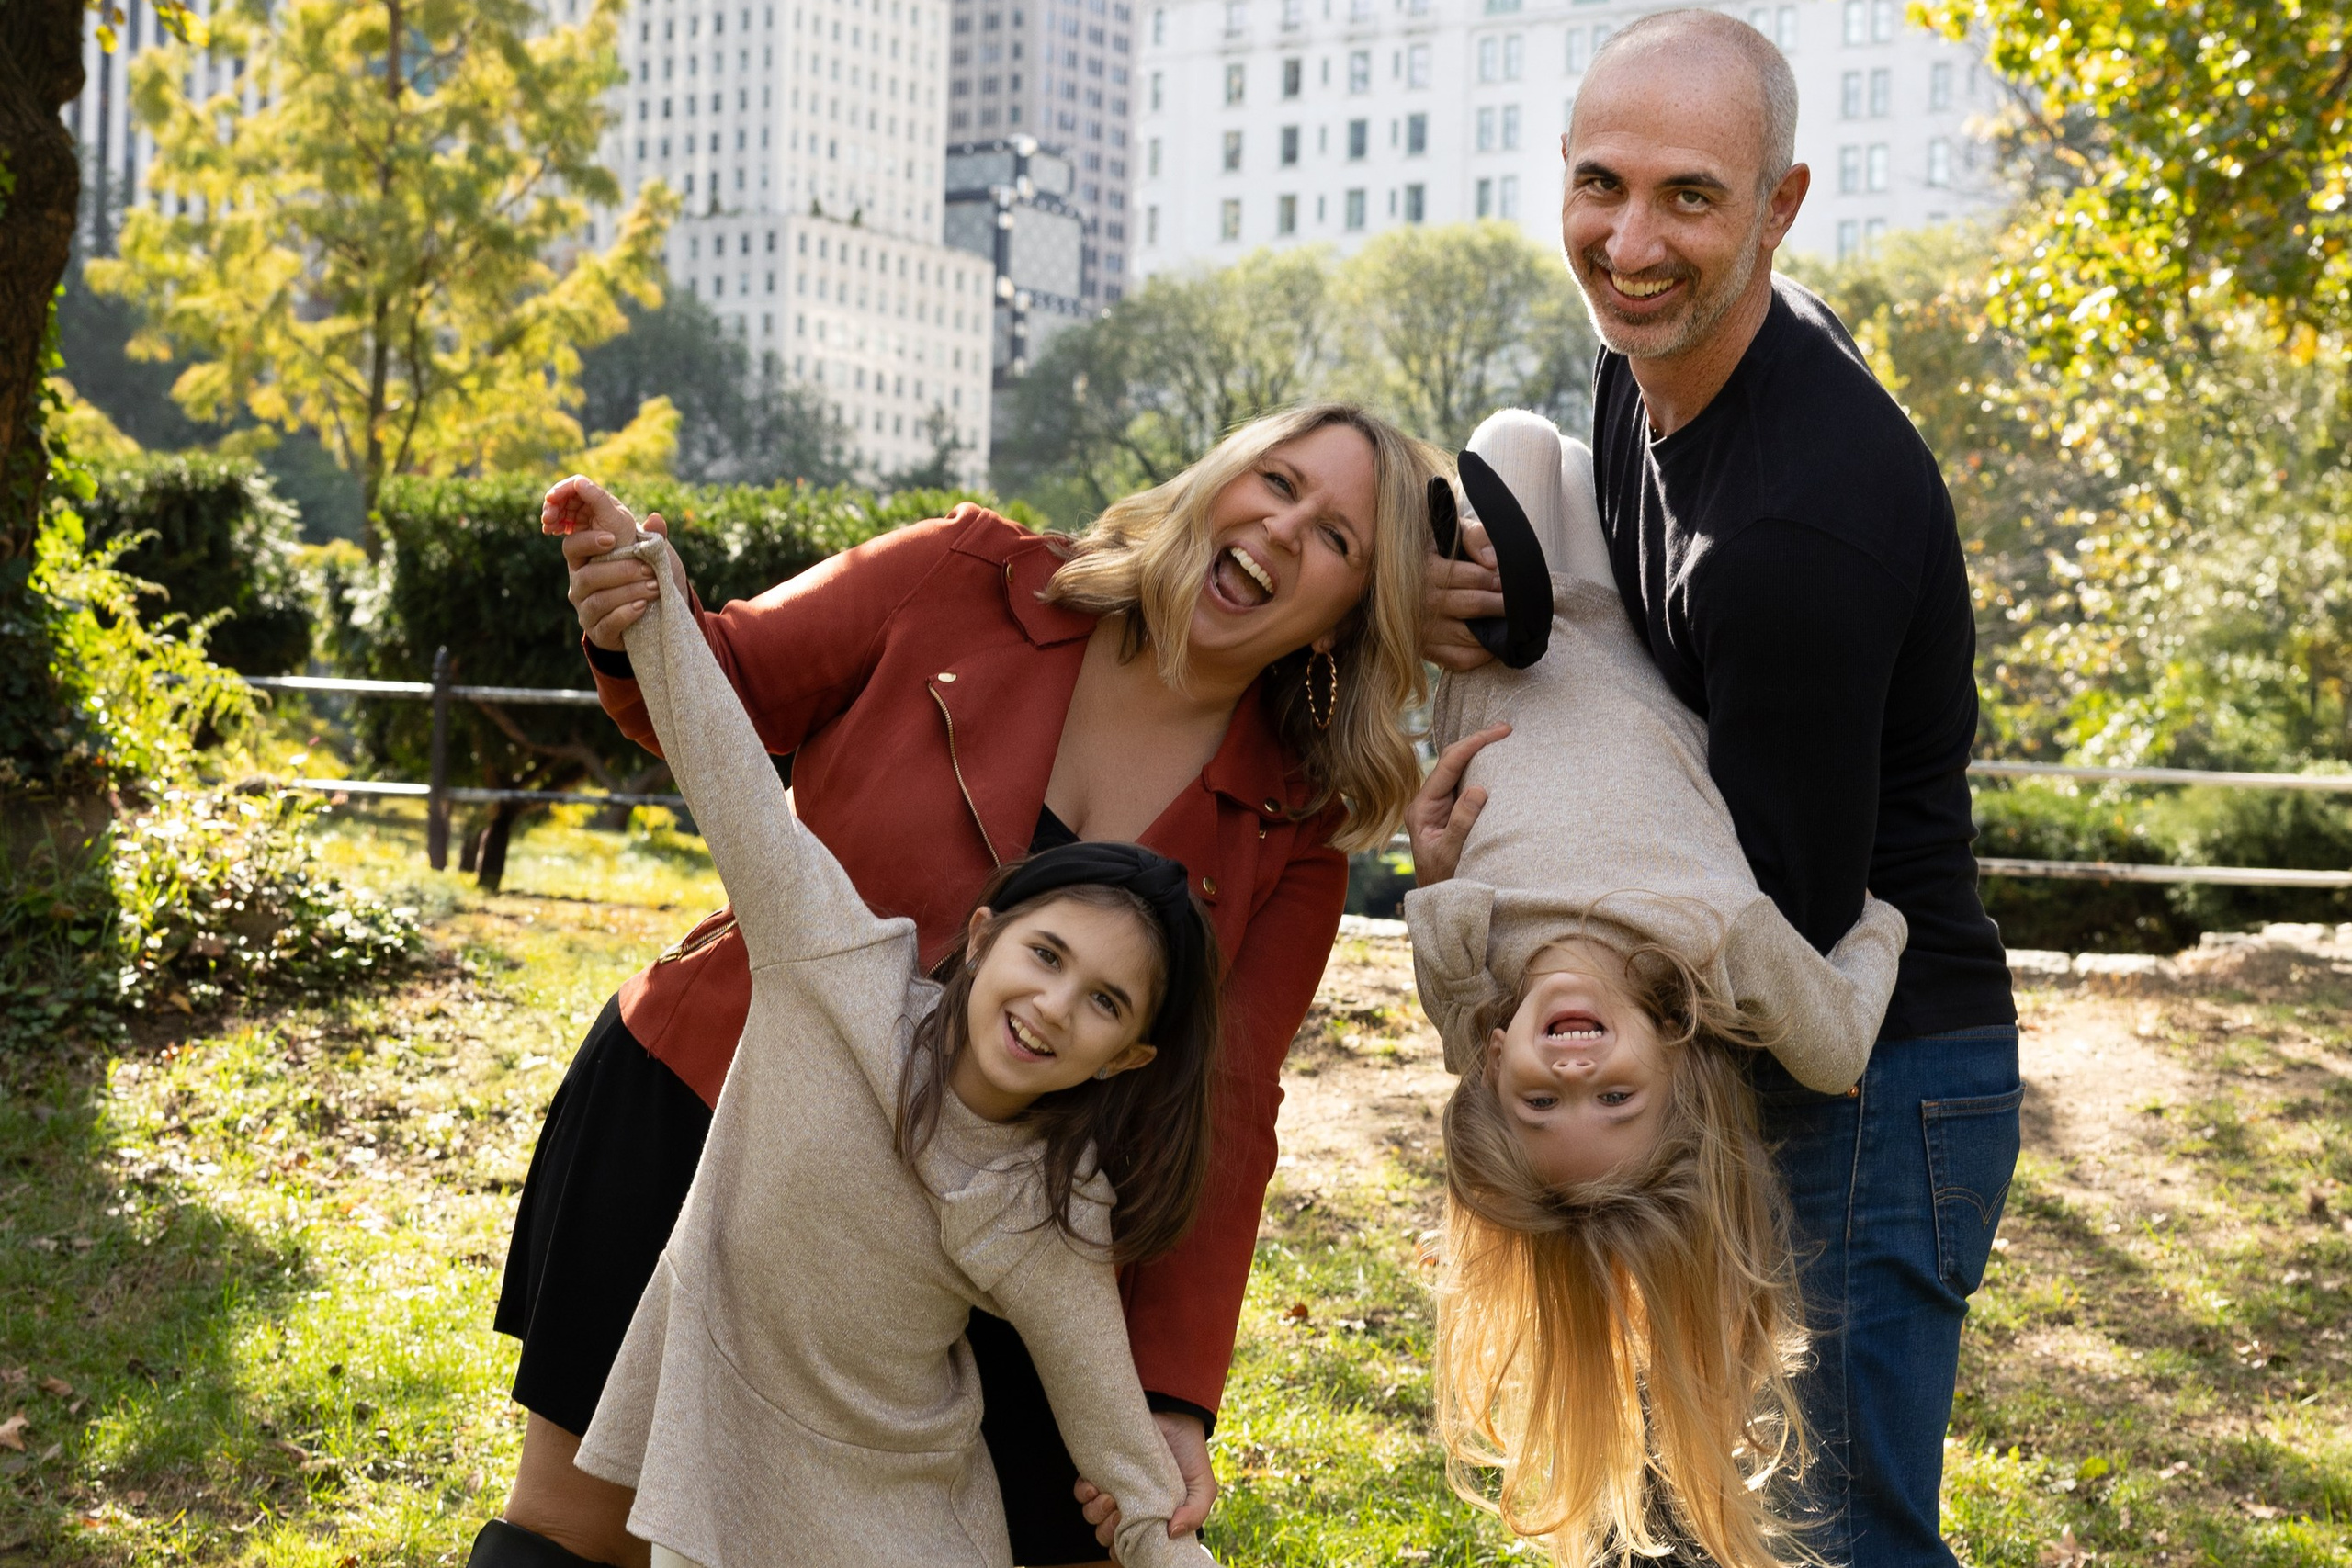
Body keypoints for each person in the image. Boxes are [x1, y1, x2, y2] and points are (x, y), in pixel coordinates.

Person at [483, 403, 1452, 1568]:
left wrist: (1173, 1395)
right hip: (716, 1107)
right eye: (1276, 481)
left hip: (993, 1227)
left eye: (1339, 537)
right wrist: (633, 604)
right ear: (1214, 480)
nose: (1286, 529)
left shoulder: (1297, 827)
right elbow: (719, 686)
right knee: (590, 1531)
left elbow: (1227, 1108)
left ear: (1350, 614)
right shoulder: (959, 571)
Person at [1524, 11, 2023, 1564]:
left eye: (1690, 195)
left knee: (1826, 1544)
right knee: (1695, 1529)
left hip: (1867, 1073)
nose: (1632, 240)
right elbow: (1643, 659)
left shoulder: (1801, 537)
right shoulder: (1643, 363)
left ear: (1782, 206)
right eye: (1602, 184)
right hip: (1744, 1036)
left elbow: (1775, 932)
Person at [520, 505, 1223, 1568]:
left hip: (904, 1526)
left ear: (1126, 1058)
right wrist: (643, 581)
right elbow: (729, 776)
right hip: (731, 1430)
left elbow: (1120, 1459)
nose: (1052, 1007)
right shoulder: (835, 975)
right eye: (1046, 956)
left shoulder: (1051, 1205)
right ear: (983, 935)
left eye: (1106, 1005)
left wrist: (1167, 1534)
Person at [1402, 408, 1907, 1567]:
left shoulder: (1475, 983)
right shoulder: (1713, 946)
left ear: (1495, 1071)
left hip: (1505, 643)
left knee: (1517, 441)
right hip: (1637, 624)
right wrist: (1882, 915)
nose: (1571, 1073)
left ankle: (1476, 552)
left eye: (1541, 1103)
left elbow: (1437, 938)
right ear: (1674, 1079)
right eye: (1613, 1102)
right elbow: (1831, 1047)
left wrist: (1433, 866)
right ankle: (1519, 531)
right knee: (1588, 453)